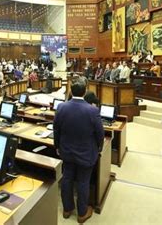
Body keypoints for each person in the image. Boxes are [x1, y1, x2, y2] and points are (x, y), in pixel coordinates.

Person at [54, 76, 104, 223]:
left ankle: (67, 209)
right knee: (83, 181)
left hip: (66, 152)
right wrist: (99, 148)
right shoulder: (92, 110)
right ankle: (82, 213)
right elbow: (100, 134)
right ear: (85, 91)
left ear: (70, 90)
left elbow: (56, 130)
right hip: (86, 153)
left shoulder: (61, 107)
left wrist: (57, 147)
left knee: (67, 178)